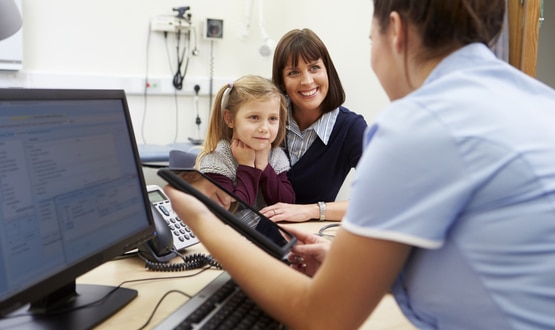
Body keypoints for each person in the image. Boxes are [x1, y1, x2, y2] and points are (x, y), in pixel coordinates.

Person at [165, 0, 555, 329]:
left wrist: (202, 219)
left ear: (396, 32)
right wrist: (345, 263)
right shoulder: (539, 101)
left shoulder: (417, 125)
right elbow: (476, 257)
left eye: (372, 39)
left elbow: (321, 316)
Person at [259, 28, 368, 223]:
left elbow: (379, 199)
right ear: (282, 82)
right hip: (257, 232)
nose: (307, 81)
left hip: (312, 238)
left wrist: (311, 211)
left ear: (328, 71)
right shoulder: (267, 120)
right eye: (293, 72)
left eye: (314, 68)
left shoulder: (351, 128)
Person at [196, 74, 295, 210]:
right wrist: (247, 166)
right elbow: (233, 209)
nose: (264, 128)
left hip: (263, 229)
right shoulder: (217, 160)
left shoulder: (275, 155)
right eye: (254, 117)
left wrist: (264, 166)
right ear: (230, 119)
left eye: (272, 118)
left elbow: (288, 204)